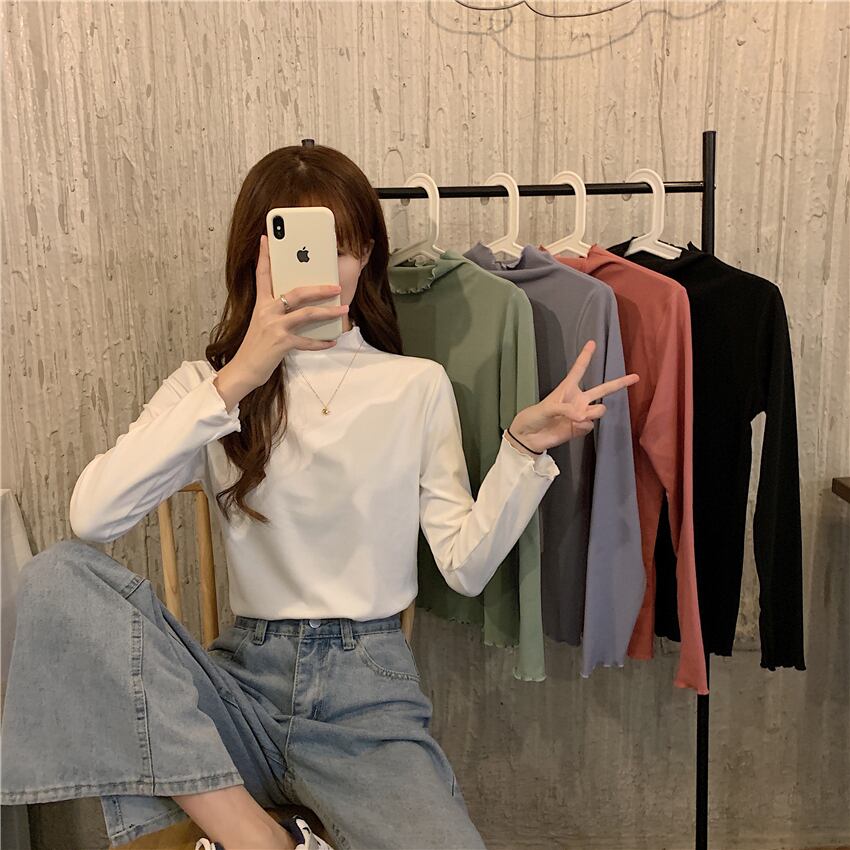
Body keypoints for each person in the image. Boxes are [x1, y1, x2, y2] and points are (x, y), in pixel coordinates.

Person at [0, 145, 639, 850]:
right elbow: (93, 516)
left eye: (340, 246)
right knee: (57, 575)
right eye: (296, 247)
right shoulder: (210, 389)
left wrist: (521, 450)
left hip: (368, 700)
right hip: (239, 690)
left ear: (366, 255)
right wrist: (239, 376)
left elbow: (463, 566)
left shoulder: (415, 385)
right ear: (257, 259)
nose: (323, 270)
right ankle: (254, 837)